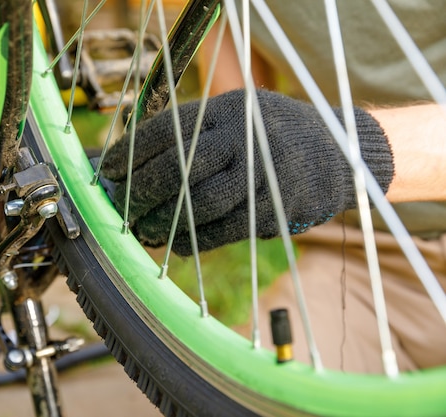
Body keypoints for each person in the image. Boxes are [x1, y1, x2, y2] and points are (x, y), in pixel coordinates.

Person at [101, 1, 446, 373]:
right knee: (234, 388)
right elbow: (239, 126)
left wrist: (342, 152)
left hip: (370, 192)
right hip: (363, 266)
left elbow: (309, 153)